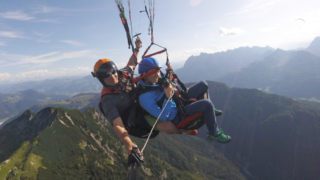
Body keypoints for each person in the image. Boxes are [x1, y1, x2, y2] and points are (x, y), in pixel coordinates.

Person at [137, 57, 232, 143]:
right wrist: (168, 97)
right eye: (153, 73)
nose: (157, 75)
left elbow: (166, 81)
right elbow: (164, 117)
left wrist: (170, 76)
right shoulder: (145, 98)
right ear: (144, 75)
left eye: (157, 71)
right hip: (177, 115)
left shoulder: (153, 81)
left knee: (203, 85)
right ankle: (213, 133)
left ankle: (211, 111)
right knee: (206, 104)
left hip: (180, 101)